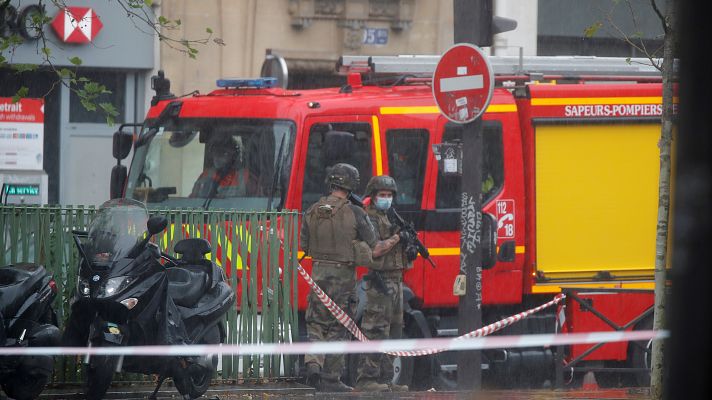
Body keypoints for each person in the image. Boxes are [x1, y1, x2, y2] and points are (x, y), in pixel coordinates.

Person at [300, 163, 401, 392]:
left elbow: (304, 245)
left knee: (316, 323)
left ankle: (313, 362)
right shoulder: (356, 212)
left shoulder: (313, 209)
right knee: (339, 325)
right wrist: (394, 239)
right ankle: (331, 379)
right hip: (344, 276)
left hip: (318, 273)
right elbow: (375, 245)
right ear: (351, 185)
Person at [355, 175, 415, 392]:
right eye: (382, 195)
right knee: (376, 330)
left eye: (389, 196)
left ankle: (387, 379)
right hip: (380, 283)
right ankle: (367, 379)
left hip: (397, 280)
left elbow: (403, 255)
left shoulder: (391, 218)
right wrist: (398, 238)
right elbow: (376, 249)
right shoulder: (368, 218)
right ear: (373, 196)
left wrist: (409, 246)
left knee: (395, 332)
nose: (386, 199)